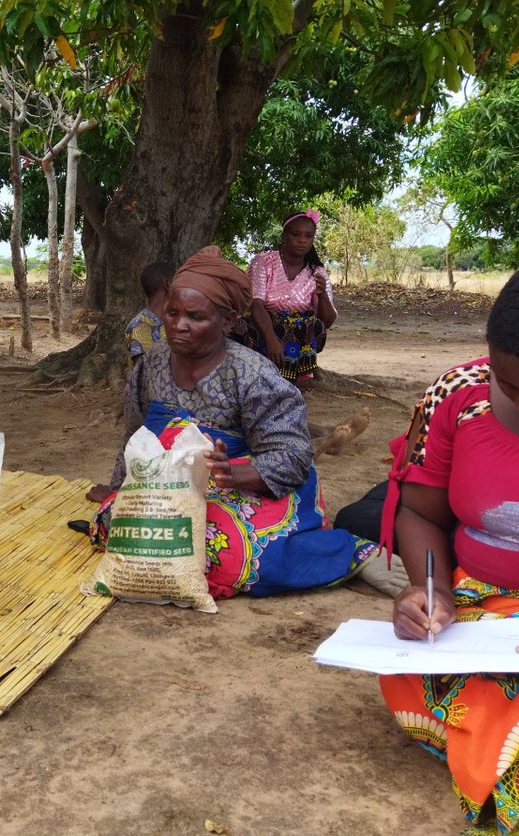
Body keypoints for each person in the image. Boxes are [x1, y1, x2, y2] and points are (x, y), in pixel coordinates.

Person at [380, 257, 519, 833]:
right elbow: (418, 512)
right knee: (434, 679)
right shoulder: (460, 393)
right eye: (511, 384)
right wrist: (431, 589)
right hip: (482, 615)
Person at [84, 246, 378, 598]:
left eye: (195, 316)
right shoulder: (152, 363)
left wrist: (233, 474)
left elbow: (294, 455)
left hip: (247, 486)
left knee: (222, 547)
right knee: (112, 521)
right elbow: (137, 435)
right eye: (172, 312)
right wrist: (121, 487)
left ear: (227, 322)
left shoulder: (252, 375)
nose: (178, 325)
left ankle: (351, 555)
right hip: (171, 482)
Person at [235, 209, 337, 381]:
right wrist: (271, 339)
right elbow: (256, 304)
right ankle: (253, 375)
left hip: (295, 333)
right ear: (284, 236)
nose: (302, 240)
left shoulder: (317, 272)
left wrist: (323, 296)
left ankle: (296, 376)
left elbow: (327, 322)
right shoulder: (264, 262)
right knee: (238, 326)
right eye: (296, 234)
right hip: (263, 326)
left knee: (312, 326)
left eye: (308, 236)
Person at [124, 260, 176, 358]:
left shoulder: (177, 320)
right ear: (167, 284)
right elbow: (145, 370)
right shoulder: (139, 326)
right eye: (178, 281)